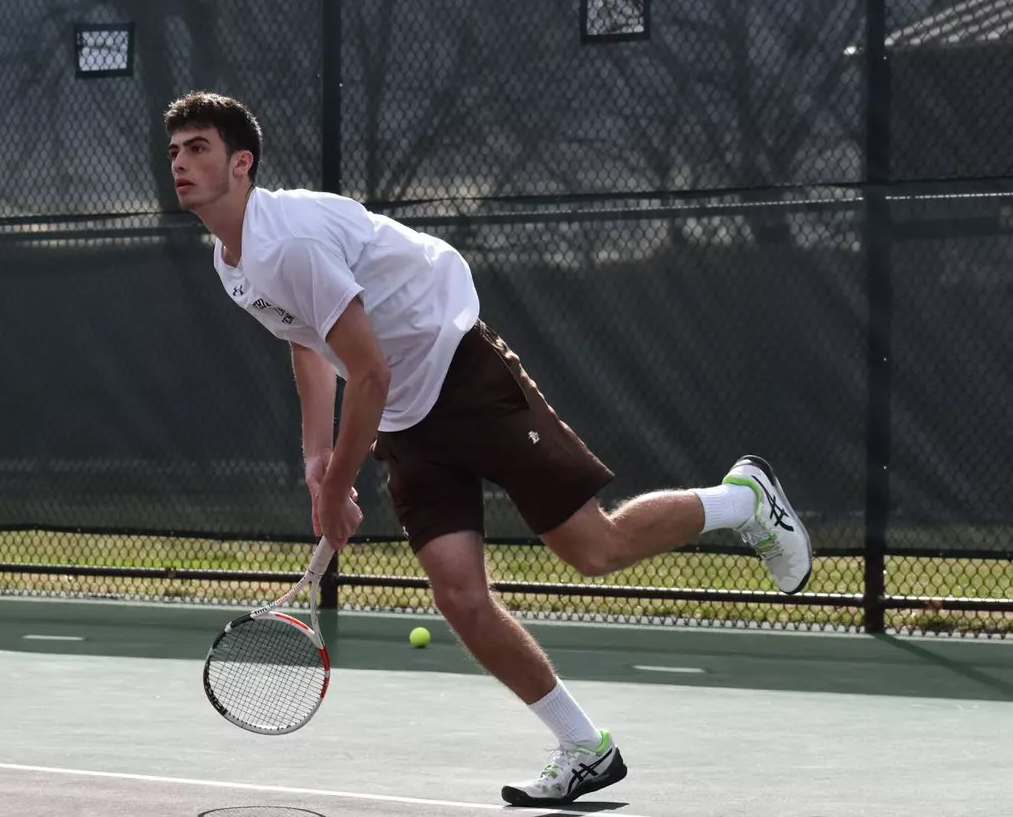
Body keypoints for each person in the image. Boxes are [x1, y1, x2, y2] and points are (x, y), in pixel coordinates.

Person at [165, 91, 812, 807]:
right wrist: (317, 457)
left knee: (591, 550)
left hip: (455, 362)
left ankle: (743, 499)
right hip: (406, 414)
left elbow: (368, 371)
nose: (181, 164)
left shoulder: (290, 241)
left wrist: (337, 485)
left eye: (198, 148)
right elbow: (308, 344)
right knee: (461, 597)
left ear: (242, 162)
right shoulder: (231, 261)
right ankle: (584, 748)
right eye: (174, 152)